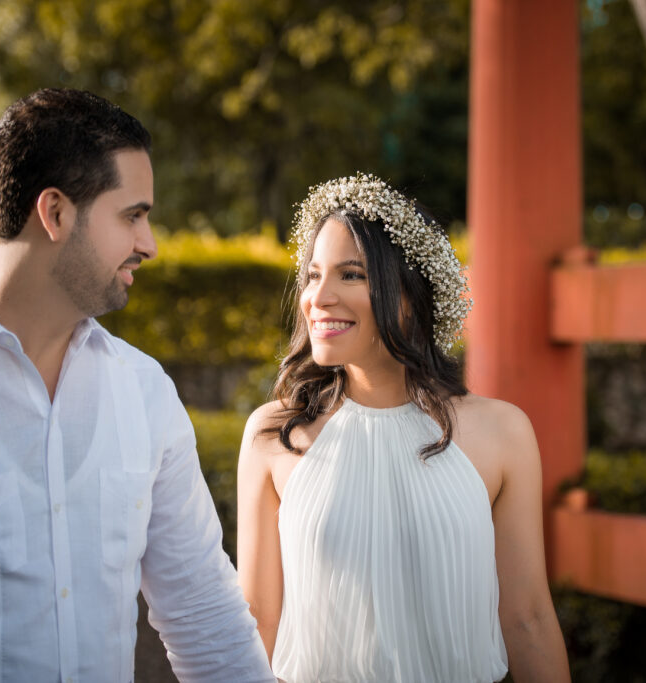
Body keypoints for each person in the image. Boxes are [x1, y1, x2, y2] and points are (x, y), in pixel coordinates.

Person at [0, 88, 273, 682]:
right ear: (55, 213)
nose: (149, 244)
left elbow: (204, 613)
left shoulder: (145, 394)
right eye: (133, 215)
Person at [237, 173, 571, 682]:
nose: (318, 298)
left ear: (410, 295)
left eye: (351, 275)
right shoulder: (273, 437)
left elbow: (526, 619)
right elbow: (257, 621)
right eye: (312, 275)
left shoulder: (503, 434)